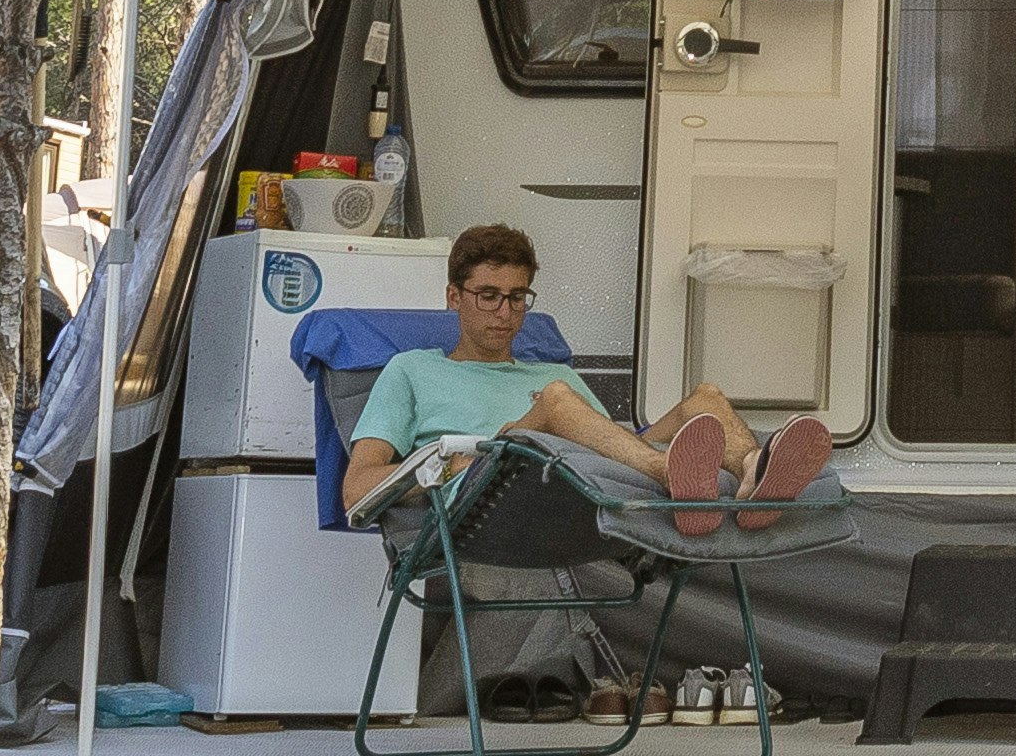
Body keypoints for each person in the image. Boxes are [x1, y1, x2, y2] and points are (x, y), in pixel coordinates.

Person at [337, 218, 828, 535]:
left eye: (517, 297)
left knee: (706, 397)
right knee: (555, 399)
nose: (504, 312)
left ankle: (754, 475)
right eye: (488, 295)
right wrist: (447, 467)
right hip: (490, 495)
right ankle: (670, 476)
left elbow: (606, 446)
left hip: (578, 486)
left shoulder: (550, 369)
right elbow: (357, 490)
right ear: (453, 297)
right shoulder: (414, 370)